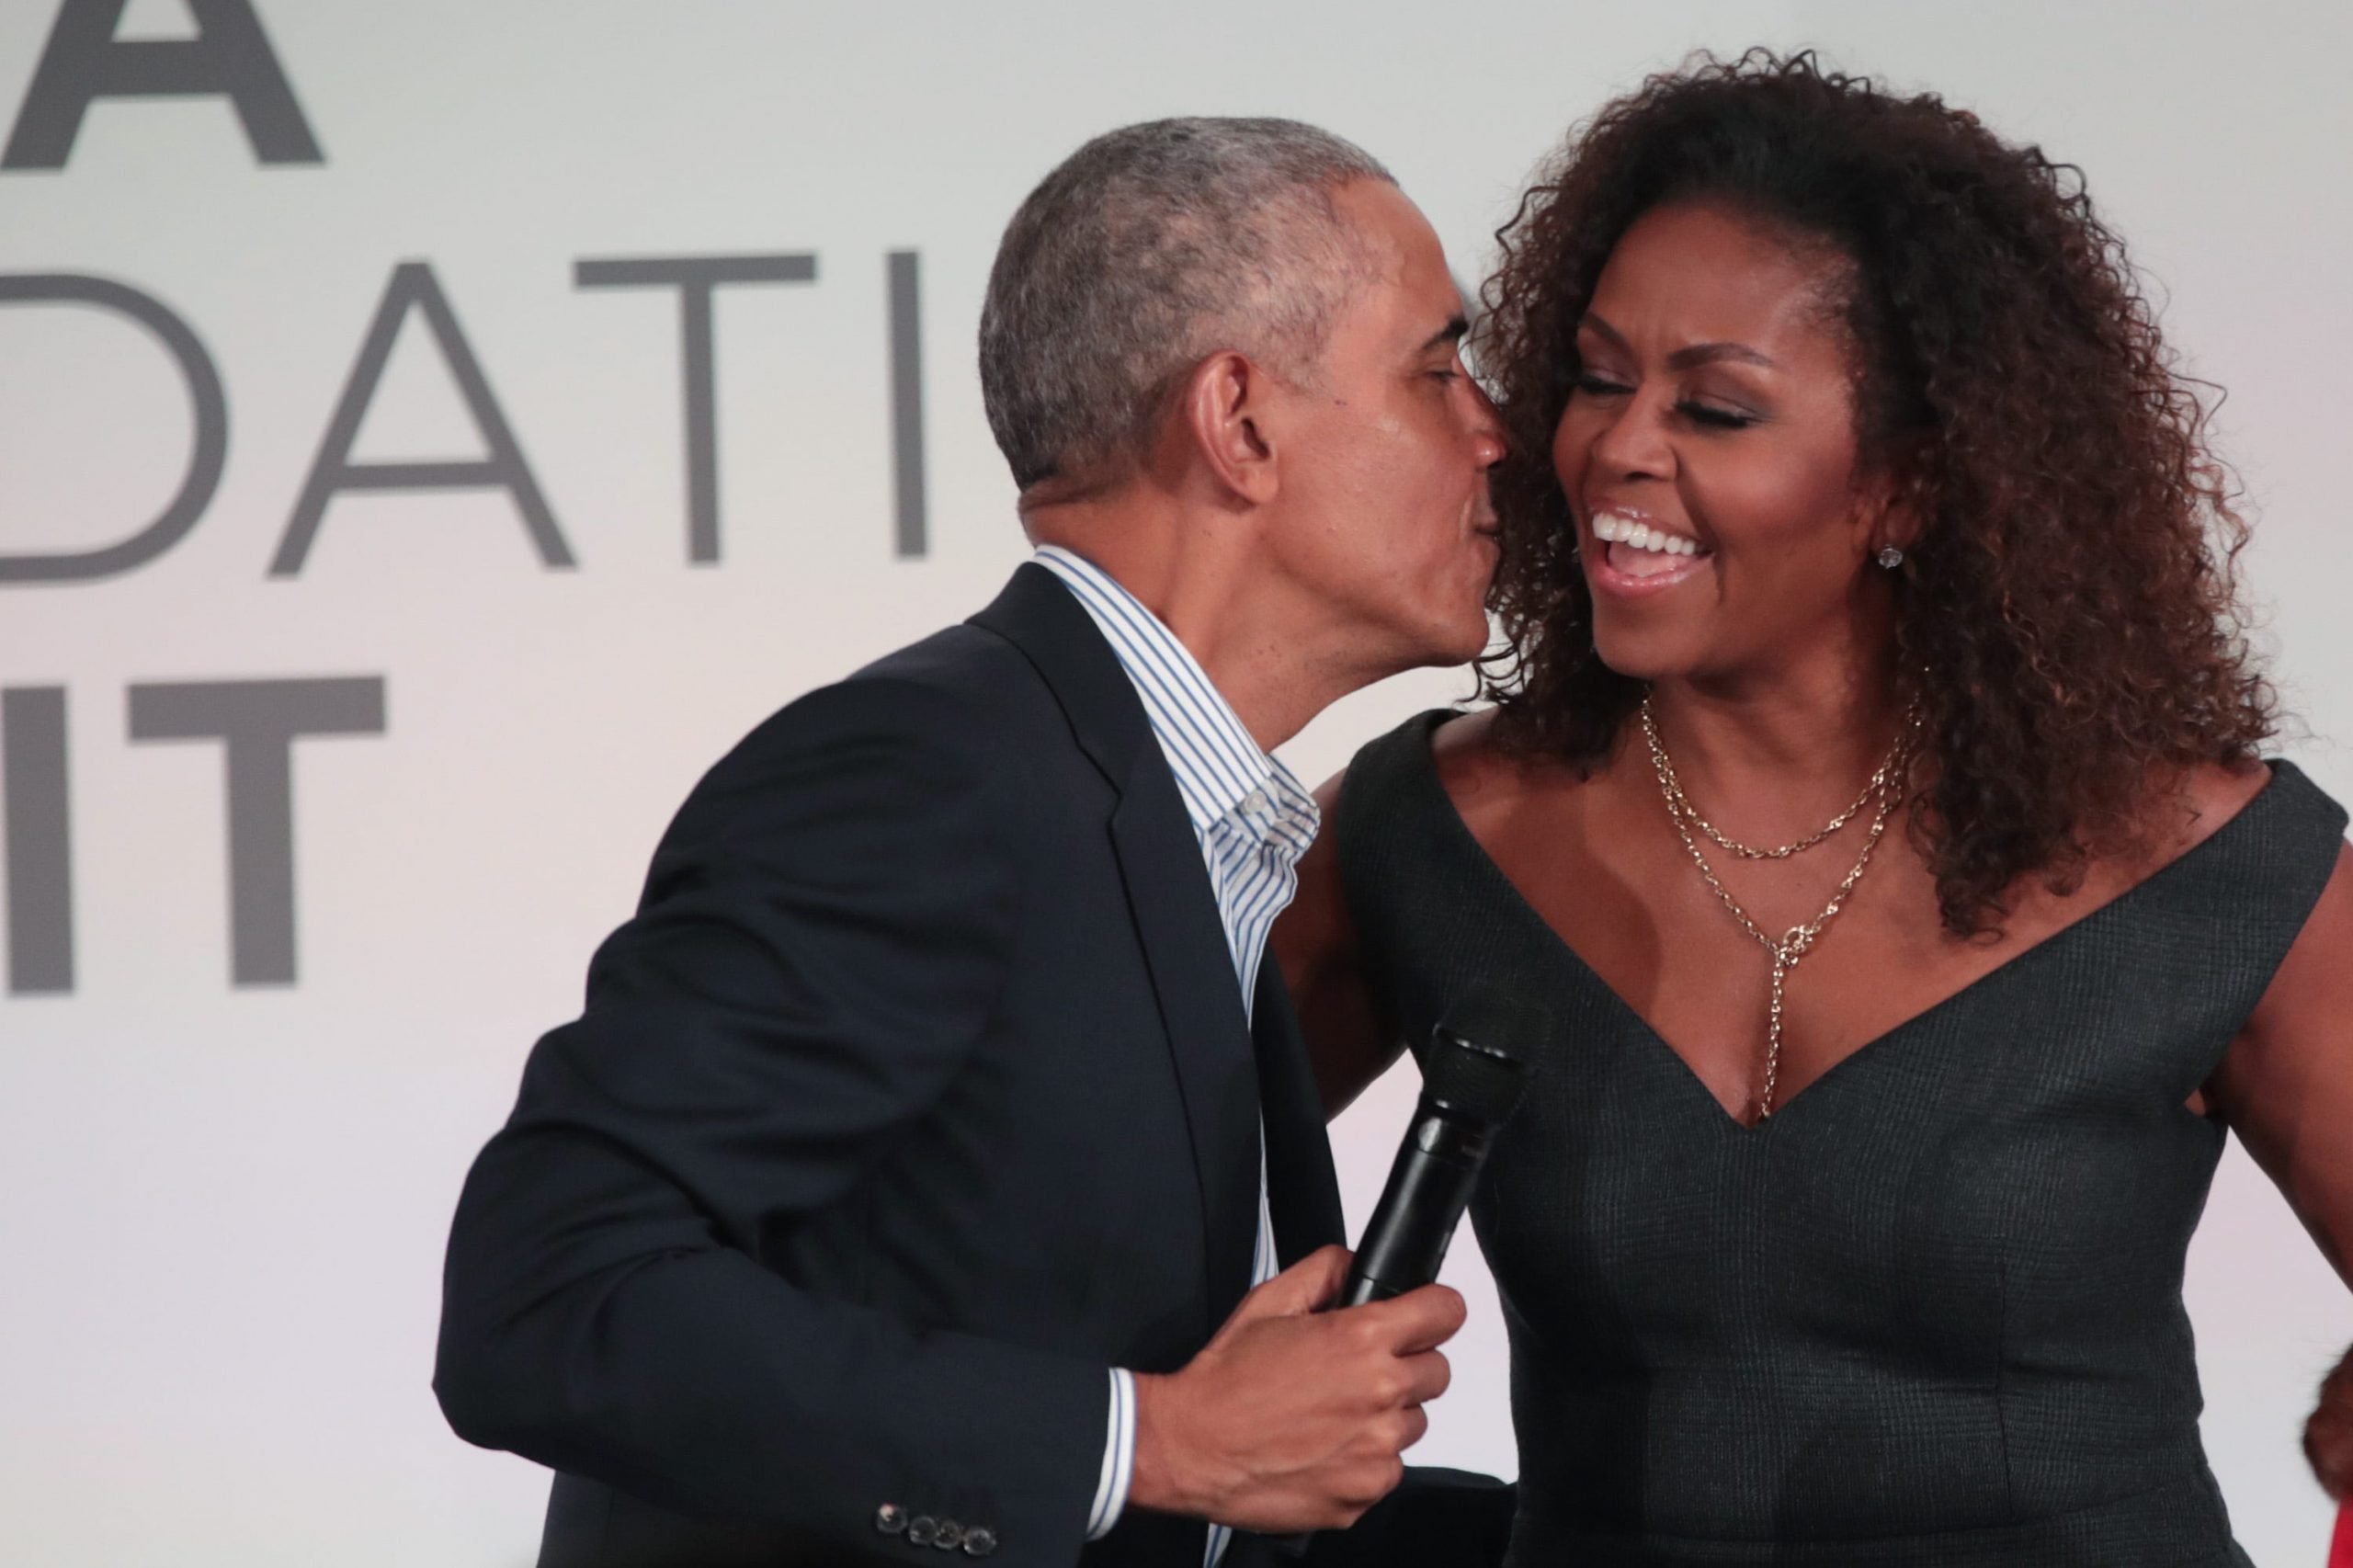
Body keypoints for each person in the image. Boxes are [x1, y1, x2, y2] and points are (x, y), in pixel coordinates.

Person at [1275, 52, 2353, 1566]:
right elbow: (1087, 1197)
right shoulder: (1430, 830)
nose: (1615, 449)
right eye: (1595, 375)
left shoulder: (2217, 871)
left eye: (1716, 408)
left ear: (1913, 487)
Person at [435, 118, 1510, 1568]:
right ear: (1241, 421)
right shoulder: (920, 779)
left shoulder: (1172, 817)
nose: (1499, 432)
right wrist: (1158, 1437)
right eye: (1439, 373)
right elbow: (548, 1295)